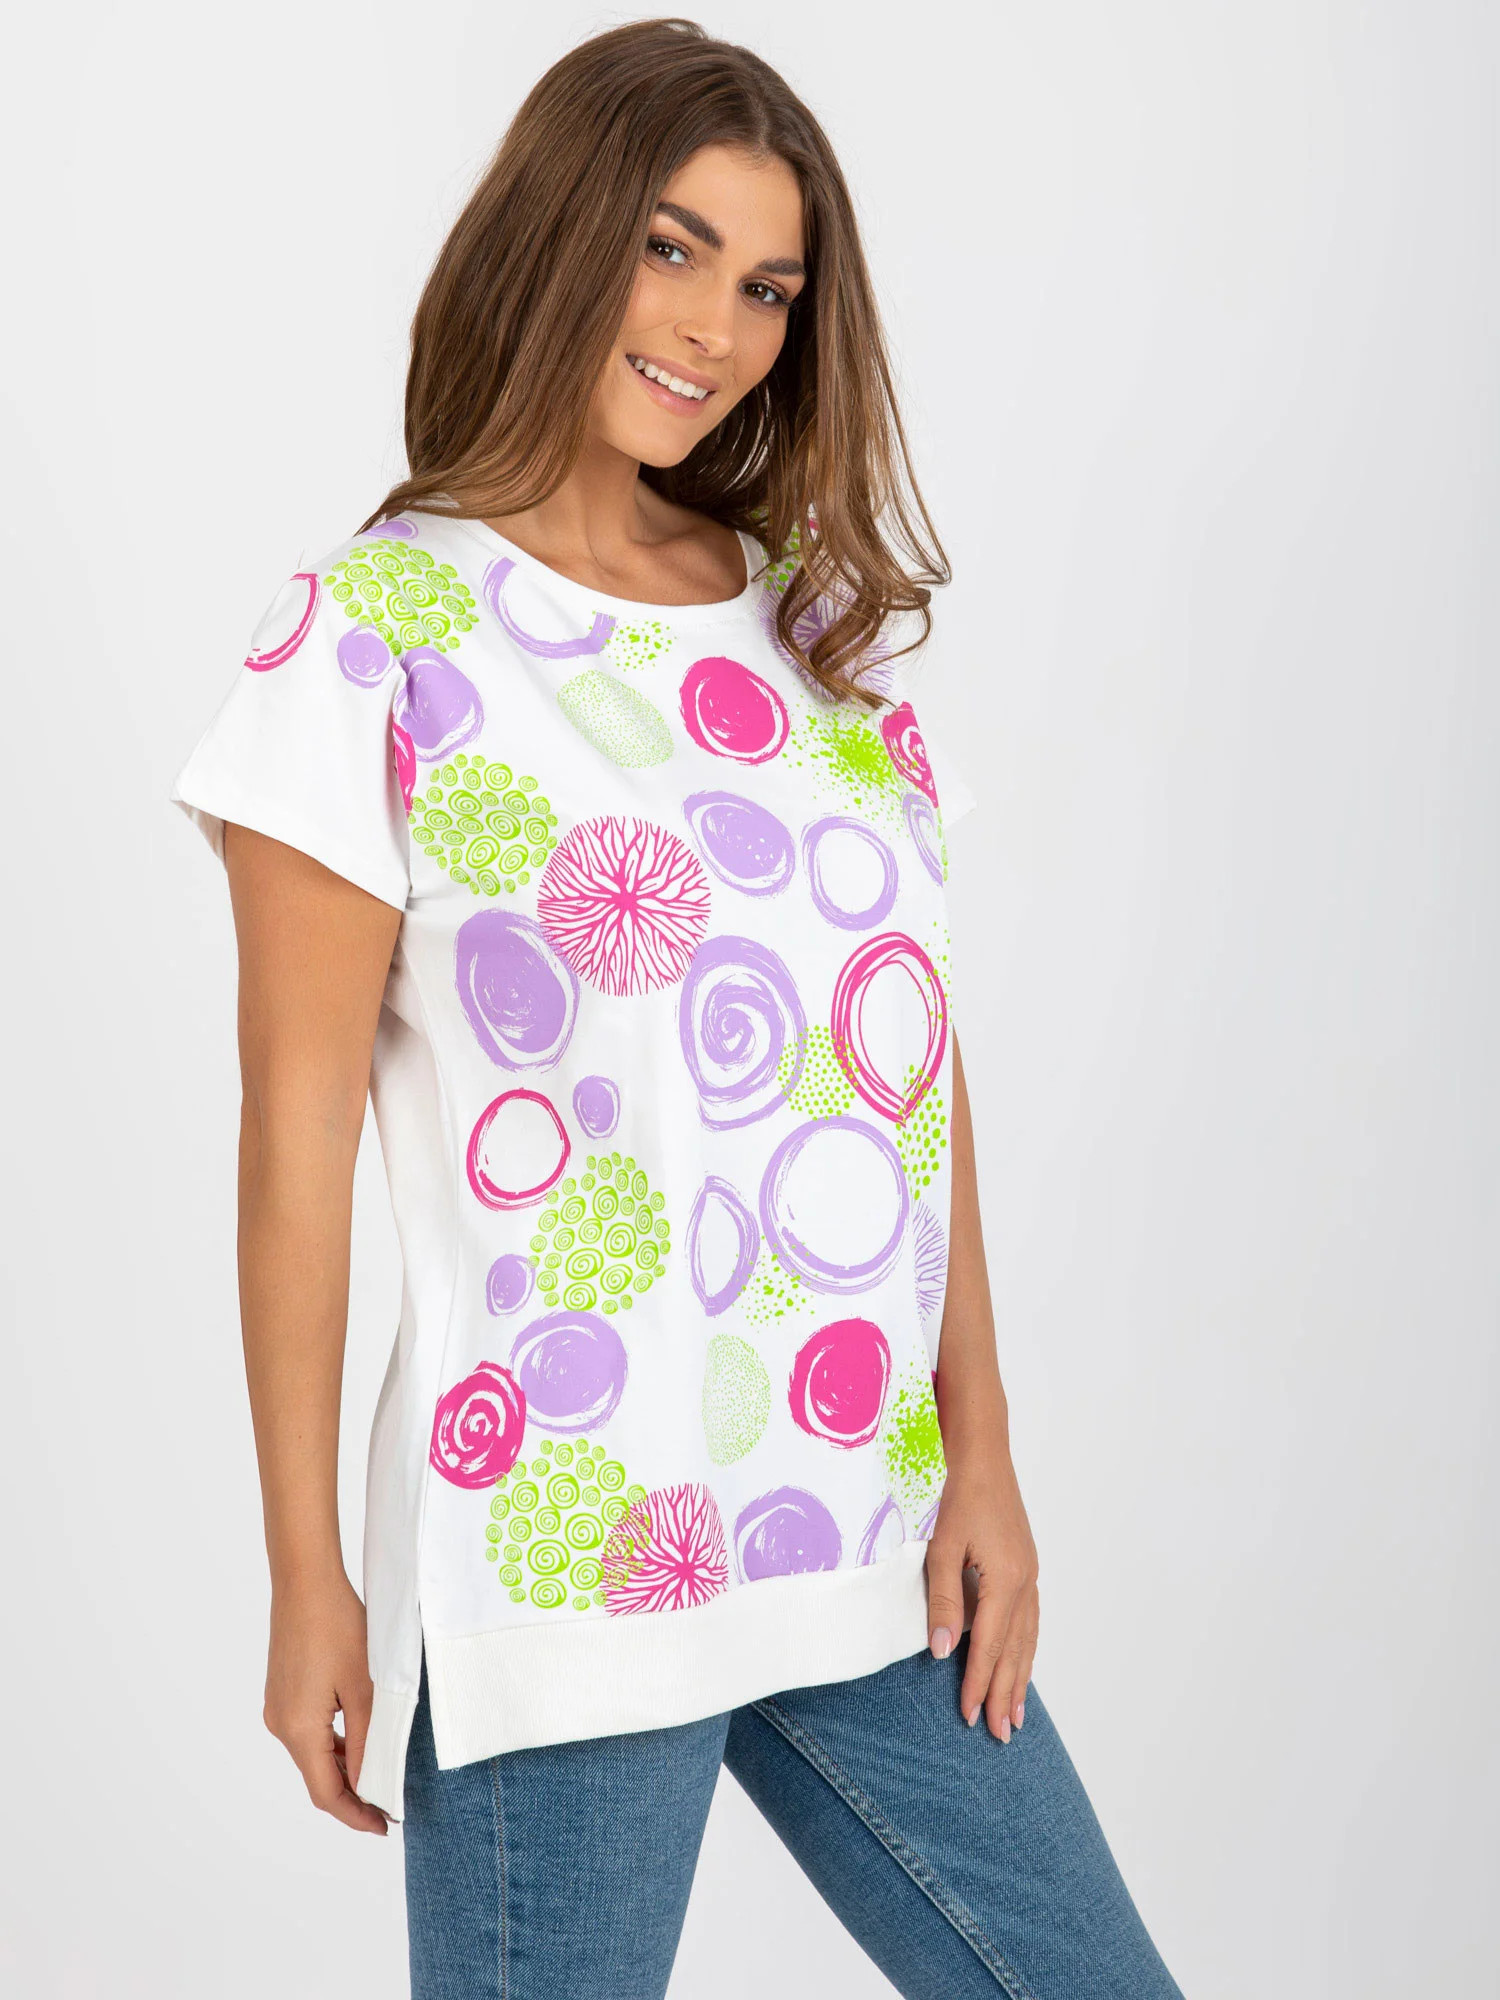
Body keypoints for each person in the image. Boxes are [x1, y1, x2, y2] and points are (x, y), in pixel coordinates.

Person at [170, 18, 1184, 1998]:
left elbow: (906, 1063)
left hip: (863, 1526)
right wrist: (310, 1576)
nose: (717, 327)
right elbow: (292, 1139)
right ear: (559, 234)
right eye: (671, 248)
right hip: (566, 1557)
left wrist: (984, 1451)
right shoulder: (373, 637)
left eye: (769, 288)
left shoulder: (803, 623)